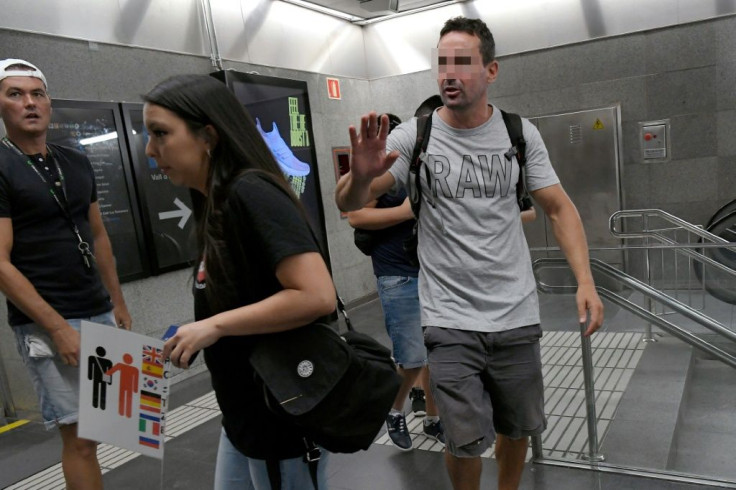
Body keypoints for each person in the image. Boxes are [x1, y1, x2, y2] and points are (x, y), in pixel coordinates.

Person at [335, 17, 604, 490]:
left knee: (517, 428)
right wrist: (360, 176)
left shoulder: (519, 135)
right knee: (462, 441)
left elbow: (559, 208)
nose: (448, 74)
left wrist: (585, 281)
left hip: (516, 314)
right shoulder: (412, 137)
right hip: (449, 318)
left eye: (462, 62)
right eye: (441, 63)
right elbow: (349, 204)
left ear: (491, 70)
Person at [145, 74, 336, 490]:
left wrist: (213, 326)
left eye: (160, 133)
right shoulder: (215, 202)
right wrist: (195, 333)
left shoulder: (250, 193)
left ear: (208, 135)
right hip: (244, 416)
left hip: (281, 418)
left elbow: (317, 295)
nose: (150, 149)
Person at [0, 58, 132, 490]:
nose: (29, 103)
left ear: (49, 103)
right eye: (15, 94)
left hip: (98, 309)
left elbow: (98, 235)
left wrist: (117, 301)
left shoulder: (73, 159)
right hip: (48, 321)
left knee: (112, 427)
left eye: (37, 94)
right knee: (80, 439)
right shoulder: (2, 166)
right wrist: (57, 328)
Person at [347, 112, 445, 452]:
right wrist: (404, 212)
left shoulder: (416, 168)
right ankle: (393, 412)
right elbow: (355, 214)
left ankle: (433, 419)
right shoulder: (380, 176)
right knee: (413, 357)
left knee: (433, 354)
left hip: (429, 272)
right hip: (396, 274)